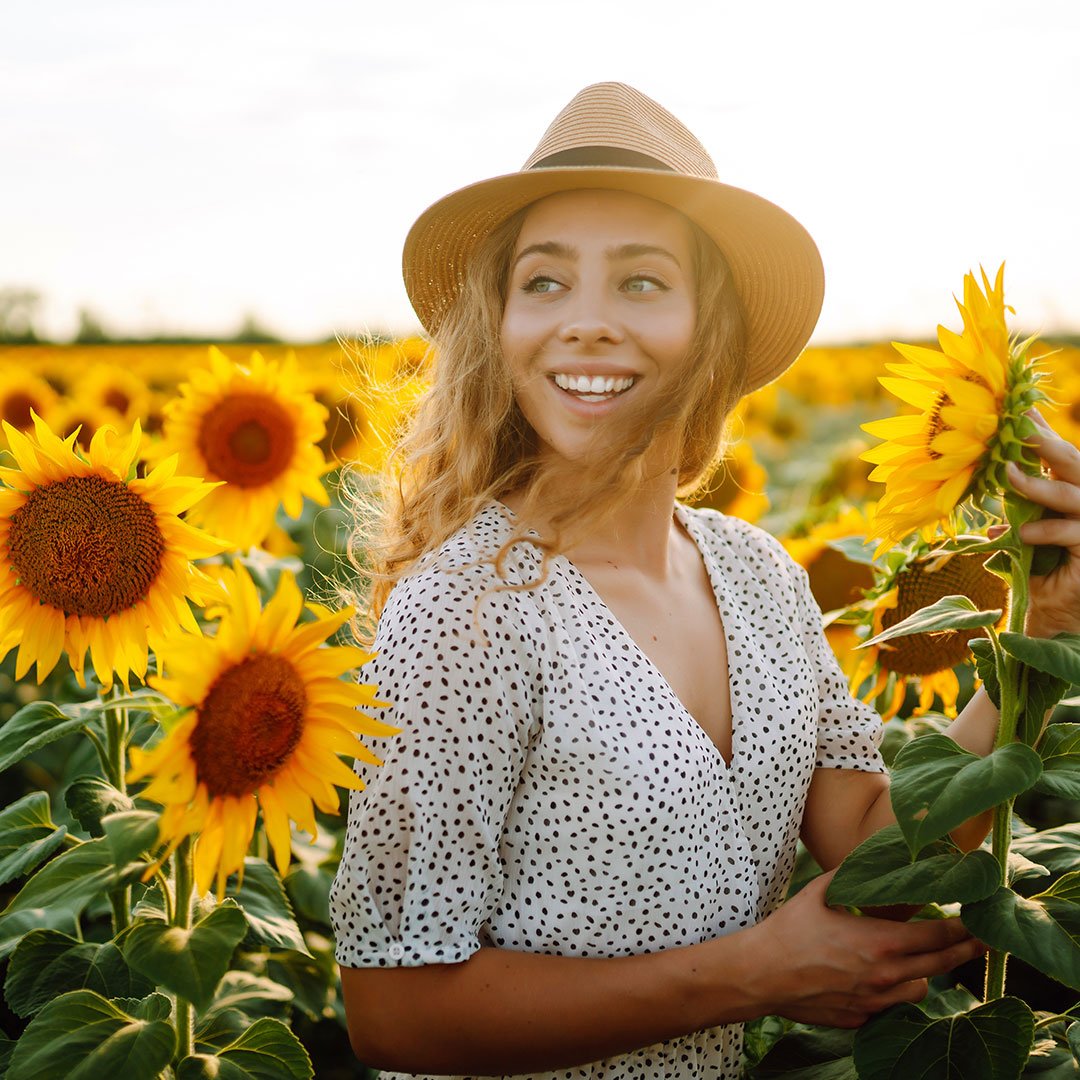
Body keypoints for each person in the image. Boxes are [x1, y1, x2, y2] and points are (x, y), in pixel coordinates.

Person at [329, 83, 1080, 1079]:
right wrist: (755, 974)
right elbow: (394, 1011)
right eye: (544, 283)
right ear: (499, 327)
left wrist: (1047, 637)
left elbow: (867, 846)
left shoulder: (756, 573)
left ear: (712, 330)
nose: (586, 322)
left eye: (641, 282)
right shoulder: (471, 611)